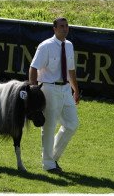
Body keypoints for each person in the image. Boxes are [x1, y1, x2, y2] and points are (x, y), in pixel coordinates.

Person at [29, 17, 79, 173]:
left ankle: (52, 157)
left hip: (65, 89)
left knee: (72, 124)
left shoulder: (69, 45)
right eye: (61, 26)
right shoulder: (46, 46)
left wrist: (75, 89)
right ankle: (48, 164)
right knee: (49, 127)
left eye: (67, 26)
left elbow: (71, 70)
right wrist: (34, 90)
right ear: (54, 28)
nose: (65, 29)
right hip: (49, 89)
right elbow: (33, 68)